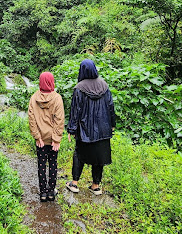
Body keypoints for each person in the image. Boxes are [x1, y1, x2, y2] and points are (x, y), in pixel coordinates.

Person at [66, 59, 116, 195]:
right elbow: (111, 107)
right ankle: (95, 186)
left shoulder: (79, 88)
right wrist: (112, 124)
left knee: (79, 154)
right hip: (103, 129)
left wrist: (71, 129)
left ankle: (74, 183)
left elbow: (75, 111)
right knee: (99, 157)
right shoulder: (104, 86)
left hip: (85, 129)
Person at [28, 72, 64, 202]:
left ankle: (43, 192)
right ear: (52, 82)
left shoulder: (33, 98)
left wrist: (37, 137)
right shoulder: (57, 98)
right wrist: (56, 138)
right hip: (52, 139)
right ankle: (51, 192)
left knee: (42, 164)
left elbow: (31, 119)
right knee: (53, 163)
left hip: (41, 140)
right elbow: (59, 120)